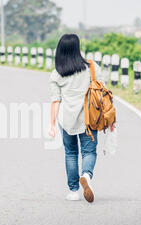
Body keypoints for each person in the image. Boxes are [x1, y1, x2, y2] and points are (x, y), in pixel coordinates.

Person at [48, 34, 114, 203]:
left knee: (70, 153)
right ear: (77, 49)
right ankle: (86, 175)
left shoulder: (57, 73)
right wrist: (111, 118)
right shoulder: (92, 67)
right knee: (89, 151)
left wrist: (52, 124)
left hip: (66, 119)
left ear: (60, 50)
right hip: (90, 118)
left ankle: (73, 191)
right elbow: (103, 93)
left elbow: (56, 100)